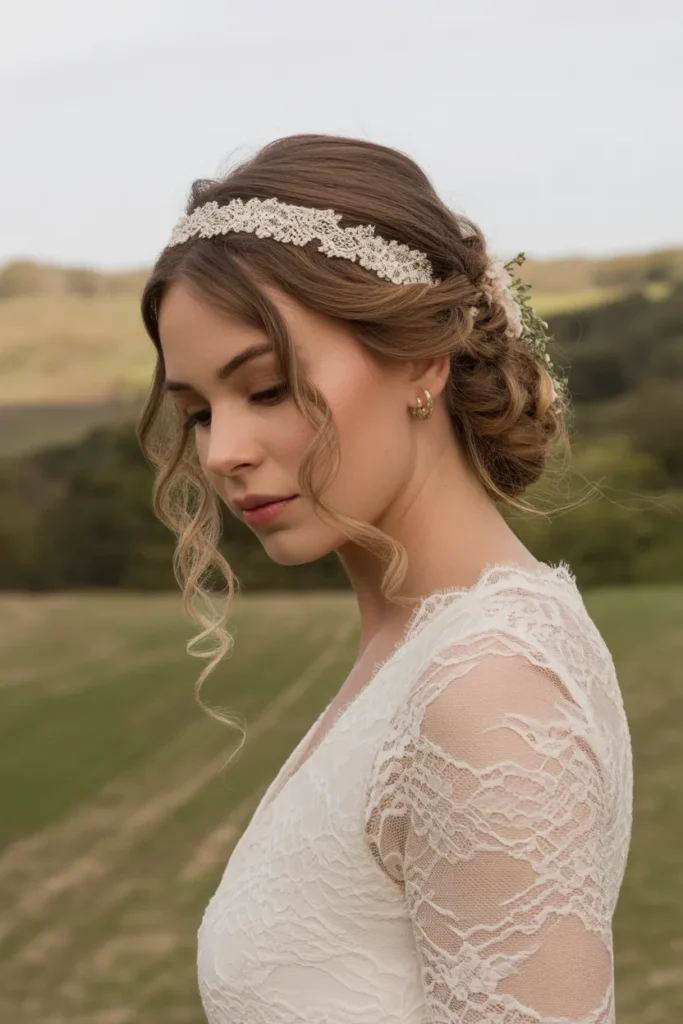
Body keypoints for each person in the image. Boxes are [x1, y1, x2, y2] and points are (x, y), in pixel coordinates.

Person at [138, 134, 633, 1024]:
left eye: (269, 387)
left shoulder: (486, 687)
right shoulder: (418, 654)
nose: (222, 452)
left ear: (422, 358)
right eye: (198, 411)